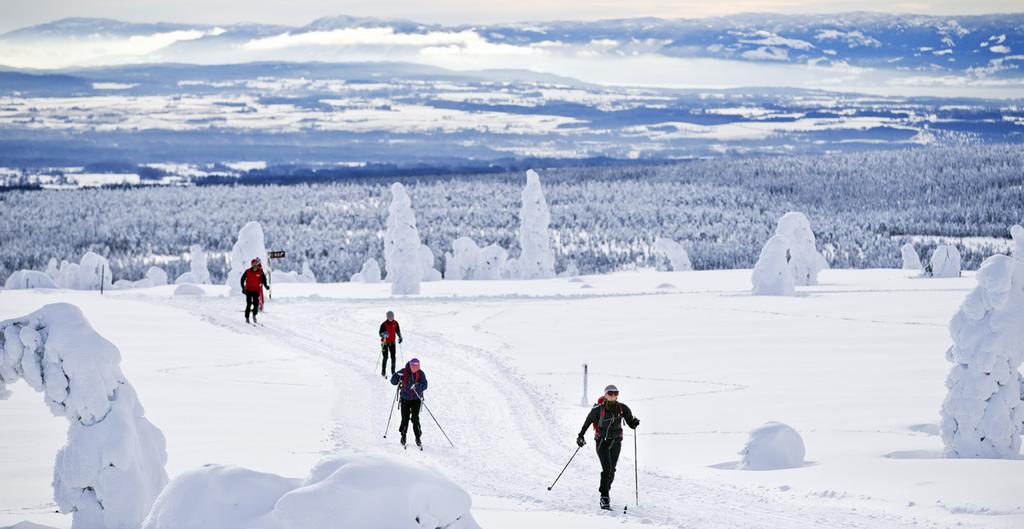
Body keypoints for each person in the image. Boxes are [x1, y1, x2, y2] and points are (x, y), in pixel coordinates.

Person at [576, 384, 639, 510]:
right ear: (605, 395)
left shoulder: (623, 408)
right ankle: (604, 496)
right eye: (610, 393)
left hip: (616, 441)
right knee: (607, 468)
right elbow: (587, 423)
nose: (613, 396)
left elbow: (631, 424)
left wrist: (635, 423)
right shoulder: (598, 410)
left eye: (616, 393)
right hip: (601, 442)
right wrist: (580, 436)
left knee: (612, 469)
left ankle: (606, 490)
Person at [390, 358, 427, 448]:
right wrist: (396, 375)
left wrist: (417, 386)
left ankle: (418, 437)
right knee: (405, 419)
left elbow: (425, 385)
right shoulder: (404, 372)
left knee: (415, 419)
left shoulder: (420, 373)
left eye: (417, 366)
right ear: (410, 365)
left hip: (416, 399)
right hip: (405, 399)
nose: (416, 368)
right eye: (414, 366)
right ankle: (403, 436)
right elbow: (393, 382)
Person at [240, 258, 269, 324]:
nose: (254, 265)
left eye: (255, 263)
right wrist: (243, 288)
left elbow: (264, 279)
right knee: (249, 304)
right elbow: (242, 279)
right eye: (253, 264)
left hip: (256, 290)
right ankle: (247, 317)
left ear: (257, 264)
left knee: (256, 304)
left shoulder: (260, 271)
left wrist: (266, 286)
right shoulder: (247, 271)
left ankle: (254, 315)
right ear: (251, 264)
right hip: (248, 290)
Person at [378, 311, 403, 377]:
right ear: (387, 317)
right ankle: (383, 371)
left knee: (393, 357)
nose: (391, 317)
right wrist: (384, 334)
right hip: (385, 343)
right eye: (389, 316)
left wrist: (400, 337)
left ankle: (393, 372)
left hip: (392, 342)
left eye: (392, 316)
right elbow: (380, 333)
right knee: (385, 357)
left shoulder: (395, 323)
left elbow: (397, 331)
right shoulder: (384, 324)